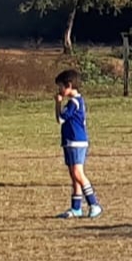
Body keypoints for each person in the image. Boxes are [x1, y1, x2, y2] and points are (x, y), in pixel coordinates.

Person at [54, 69, 103, 219]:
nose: (59, 90)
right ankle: (76, 208)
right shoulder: (74, 102)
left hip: (77, 141)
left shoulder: (74, 102)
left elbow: (60, 119)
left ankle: (94, 204)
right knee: (73, 175)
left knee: (78, 173)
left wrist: (58, 103)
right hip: (69, 141)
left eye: (61, 87)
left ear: (69, 85)